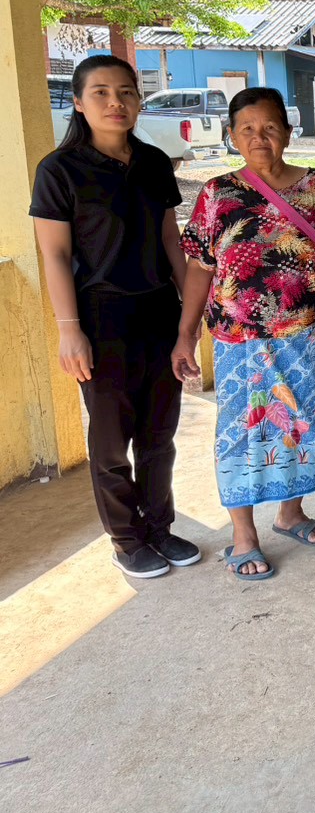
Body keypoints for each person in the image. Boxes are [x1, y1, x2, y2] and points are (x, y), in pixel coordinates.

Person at [172, 87, 315, 581]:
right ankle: (243, 536)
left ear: (288, 132)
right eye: (247, 129)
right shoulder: (218, 194)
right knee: (242, 431)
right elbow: (199, 268)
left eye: (270, 128)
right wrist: (185, 333)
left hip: (308, 336)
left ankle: (290, 514)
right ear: (232, 135)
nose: (259, 138)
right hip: (239, 341)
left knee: (301, 424)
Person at [30, 55, 198, 579]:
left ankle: (159, 527)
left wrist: (190, 317)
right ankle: (127, 539)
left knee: (158, 435)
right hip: (100, 318)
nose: (115, 102)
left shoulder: (153, 162)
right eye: (100, 92)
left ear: (138, 100)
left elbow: (170, 239)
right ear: (79, 103)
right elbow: (55, 254)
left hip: (159, 310)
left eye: (125, 91)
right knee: (110, 442)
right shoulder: (59, 170)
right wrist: (69, 331)